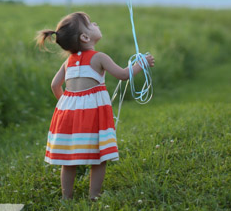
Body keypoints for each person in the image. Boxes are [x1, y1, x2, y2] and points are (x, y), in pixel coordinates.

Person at [35, 11, 155, 200]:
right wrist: (142, 63)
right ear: (85, 37)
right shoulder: (99, 57)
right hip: (92, 114)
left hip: (67, 112)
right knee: (98, 156)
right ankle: (94, 195)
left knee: (68, 158)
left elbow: (54, 85)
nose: (96, 23)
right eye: (91, 24)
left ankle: (66, 197)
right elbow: (123, 75)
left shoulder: (68, 61)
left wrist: (67, 104)